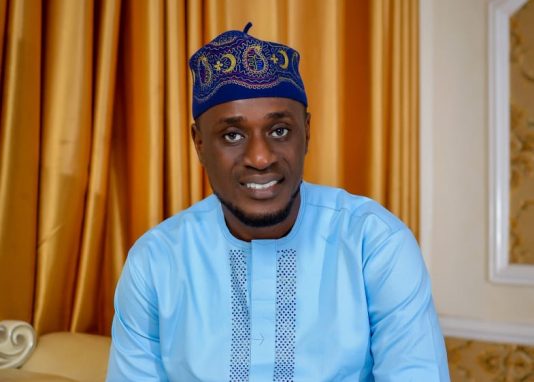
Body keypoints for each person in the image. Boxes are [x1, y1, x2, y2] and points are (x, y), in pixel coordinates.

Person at [106, 23, 450, 381]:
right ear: (200, 144)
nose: (260, 157)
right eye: (232, 135)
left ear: (307, 133)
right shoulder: (156, 261)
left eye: (279, 131)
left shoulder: (373, 243)